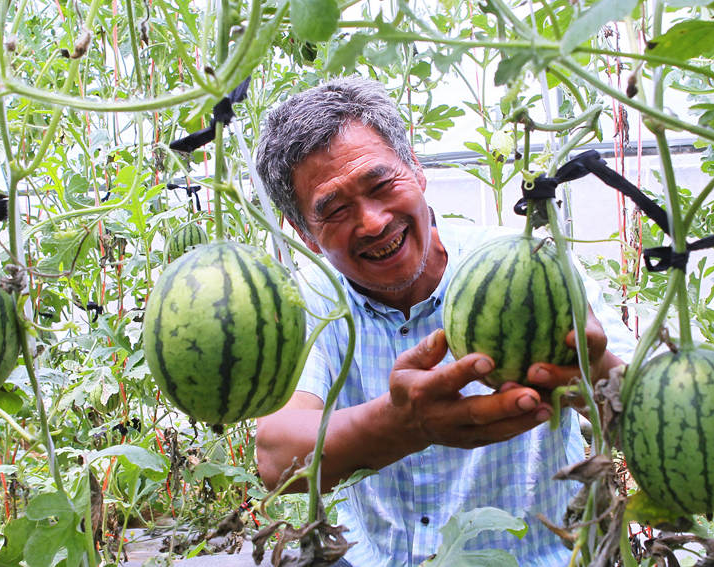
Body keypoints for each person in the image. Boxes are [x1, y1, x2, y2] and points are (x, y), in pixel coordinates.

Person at [254, 77, 633, 567]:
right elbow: (276, 456)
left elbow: (657, 419)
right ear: (305, 235)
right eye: (336, 210)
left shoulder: (535, 269)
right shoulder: (312, 299)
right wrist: (405, 425)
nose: (371, 221)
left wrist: (596, 375)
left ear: (415, 168)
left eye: (380, 184)